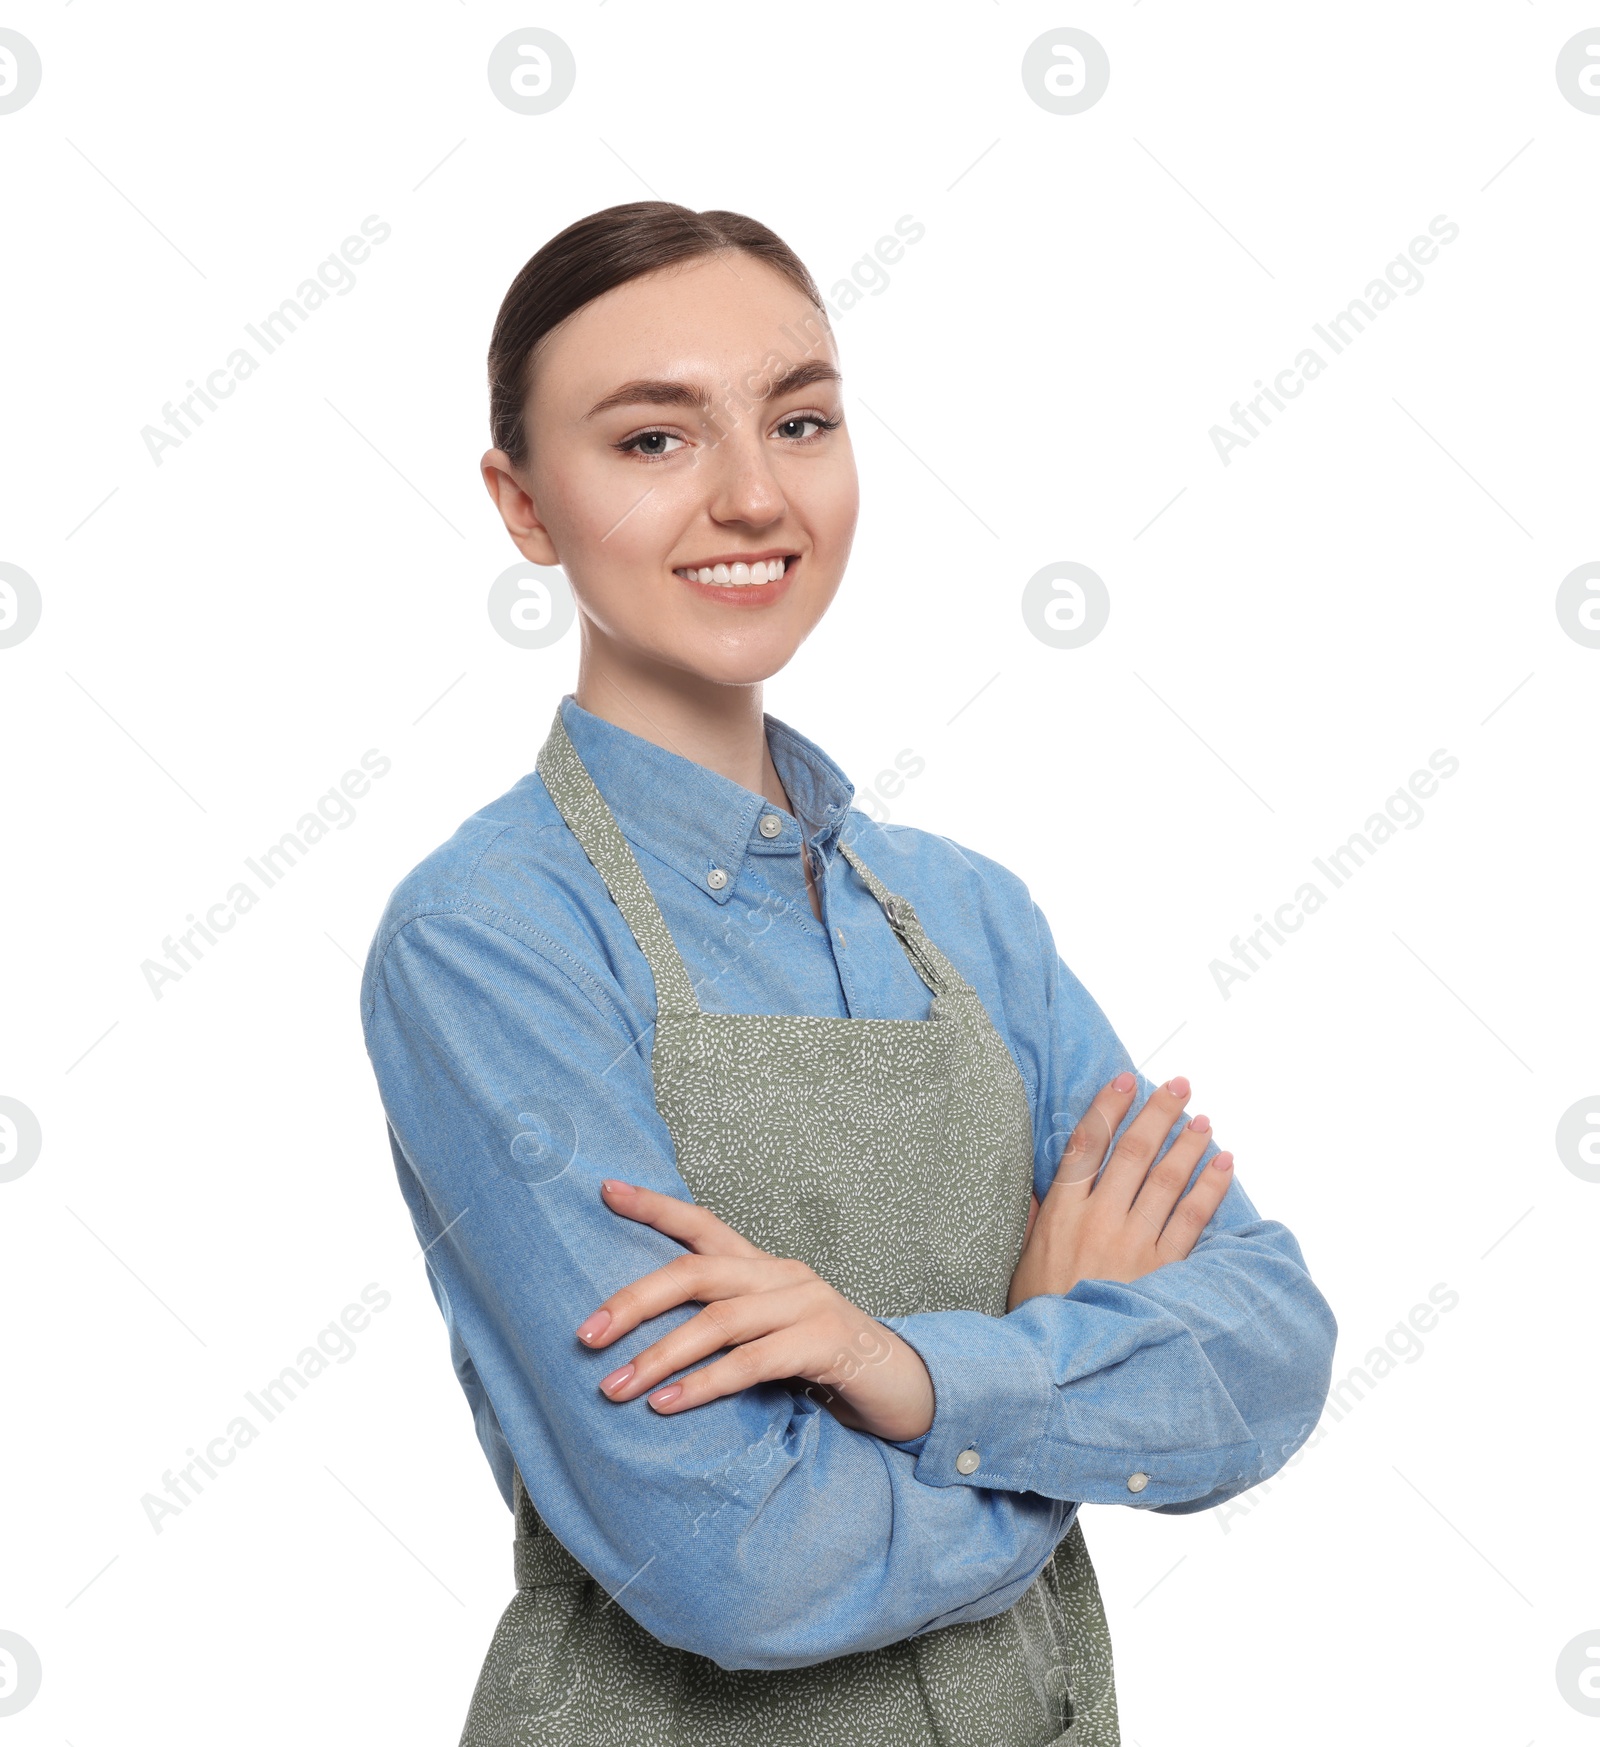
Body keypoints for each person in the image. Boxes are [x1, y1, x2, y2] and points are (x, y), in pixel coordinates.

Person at [359, 200, 1337, 1746]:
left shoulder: (969, 916)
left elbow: (1272, 1348)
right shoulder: (493, 939)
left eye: (799, 419)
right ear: (523, 503)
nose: (755, 497)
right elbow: (737, 1560)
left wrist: (905, 1371)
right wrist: (1057, 1386)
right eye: (652, 442)